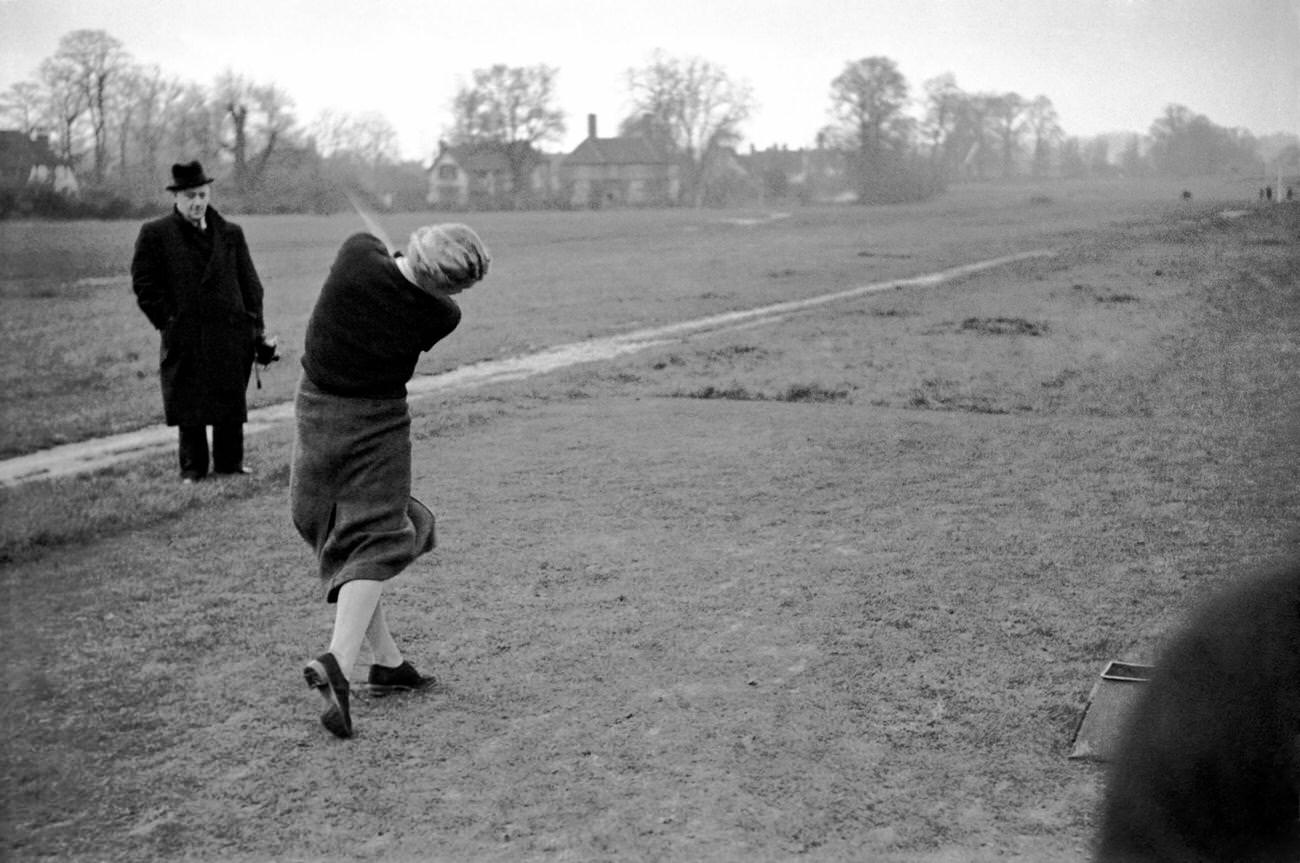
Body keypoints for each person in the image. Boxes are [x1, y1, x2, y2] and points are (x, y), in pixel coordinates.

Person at [293, 222, 489, 739]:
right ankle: (338, 661)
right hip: (377, 426)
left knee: (349, 537)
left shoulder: (356, 254)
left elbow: (376, 249)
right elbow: (411, 286)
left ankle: (388, 664)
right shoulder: (441, 314)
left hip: (315, 415)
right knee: (377, 539)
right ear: (448, 284)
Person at [131, 160, 274, 482]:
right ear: (177, 198)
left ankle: (230, 463)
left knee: (229, 399)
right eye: (190, 196)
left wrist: (256, 326)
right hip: (186, 334)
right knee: (189, 403)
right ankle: (193, 468)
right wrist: (169, 321)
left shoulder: (231, 233)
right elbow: (144, 285)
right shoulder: (156, 234)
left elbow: (250, 283)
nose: (197, 202)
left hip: (230, 332)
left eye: (202, 194)